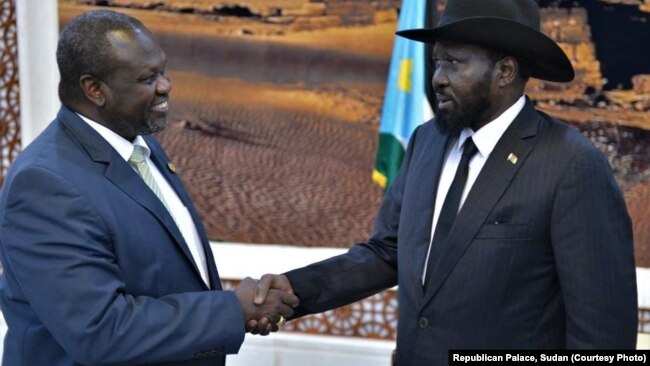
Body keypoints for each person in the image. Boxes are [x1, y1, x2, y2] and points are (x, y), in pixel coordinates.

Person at [254, 0, 638, 364]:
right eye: (437, 62)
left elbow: (603, 334)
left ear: (504, 71)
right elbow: (386, 253)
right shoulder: (427, 140)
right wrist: (293, 289)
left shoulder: (570, 163)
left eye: (453, 63)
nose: (437, 78)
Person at [0, 10, 297, 366]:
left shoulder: (137, 141)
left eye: (163, 70)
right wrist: (232, 310)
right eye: (147, 78)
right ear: (95, 89)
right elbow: (101, 331)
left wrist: (244, 307)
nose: (165, 86)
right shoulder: (44, 185)